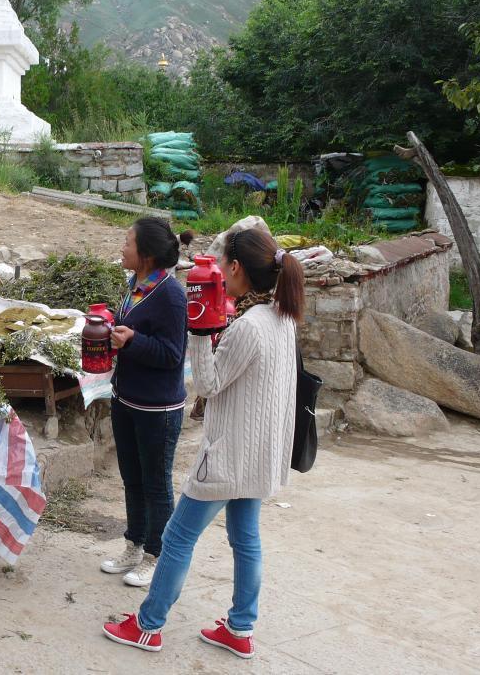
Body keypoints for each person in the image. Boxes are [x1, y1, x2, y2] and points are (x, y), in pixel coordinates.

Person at [103, 227, 305, 660]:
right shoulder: (282, 318)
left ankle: (148, 624)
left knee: (176, 537)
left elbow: (209, 384)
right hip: (261, 452)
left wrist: (200, 332)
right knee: (246, 539)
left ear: (234, 269)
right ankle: (240, 628)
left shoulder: (249, 326)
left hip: (229, 454)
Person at [100, 218, 190, 588]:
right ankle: (133, 544)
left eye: (128, 242)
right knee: (131, 478)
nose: (122, 248)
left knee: (155, 483)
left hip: (158, 408)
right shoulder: (136, 284)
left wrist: (132, 340)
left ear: (147, 255)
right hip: (126, 398)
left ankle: (157, 555)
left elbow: (172, 354)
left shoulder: (170, 295)